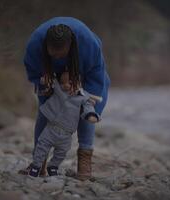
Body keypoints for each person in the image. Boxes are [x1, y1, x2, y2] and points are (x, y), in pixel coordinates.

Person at [20, 17, 110, 180]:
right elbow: (32, 68)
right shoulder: (35, 45)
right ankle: (39, 163)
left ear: (70, 46)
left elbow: (96, 73)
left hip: (84, 71)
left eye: (61, 54)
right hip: (48, 74)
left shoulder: (88, 44)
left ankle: (84, 163)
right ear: (46, 45)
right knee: (45, 112)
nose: (57, 57)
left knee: (85, 110)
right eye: (53, 53)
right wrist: (43, 83)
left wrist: (88, 99)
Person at [28, 72, 100, 177]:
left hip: (66, 134)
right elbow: (52, 82)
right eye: (63, 83)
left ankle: (53, 166)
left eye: (70, 83)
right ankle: (36, 166)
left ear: (79, 84)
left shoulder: (83, 98)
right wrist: (45, 80)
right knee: (41, 147)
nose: (66, 85)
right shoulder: (59, 90)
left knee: (61, 153)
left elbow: (88, 106)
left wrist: (91, 115)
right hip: (51, 129)